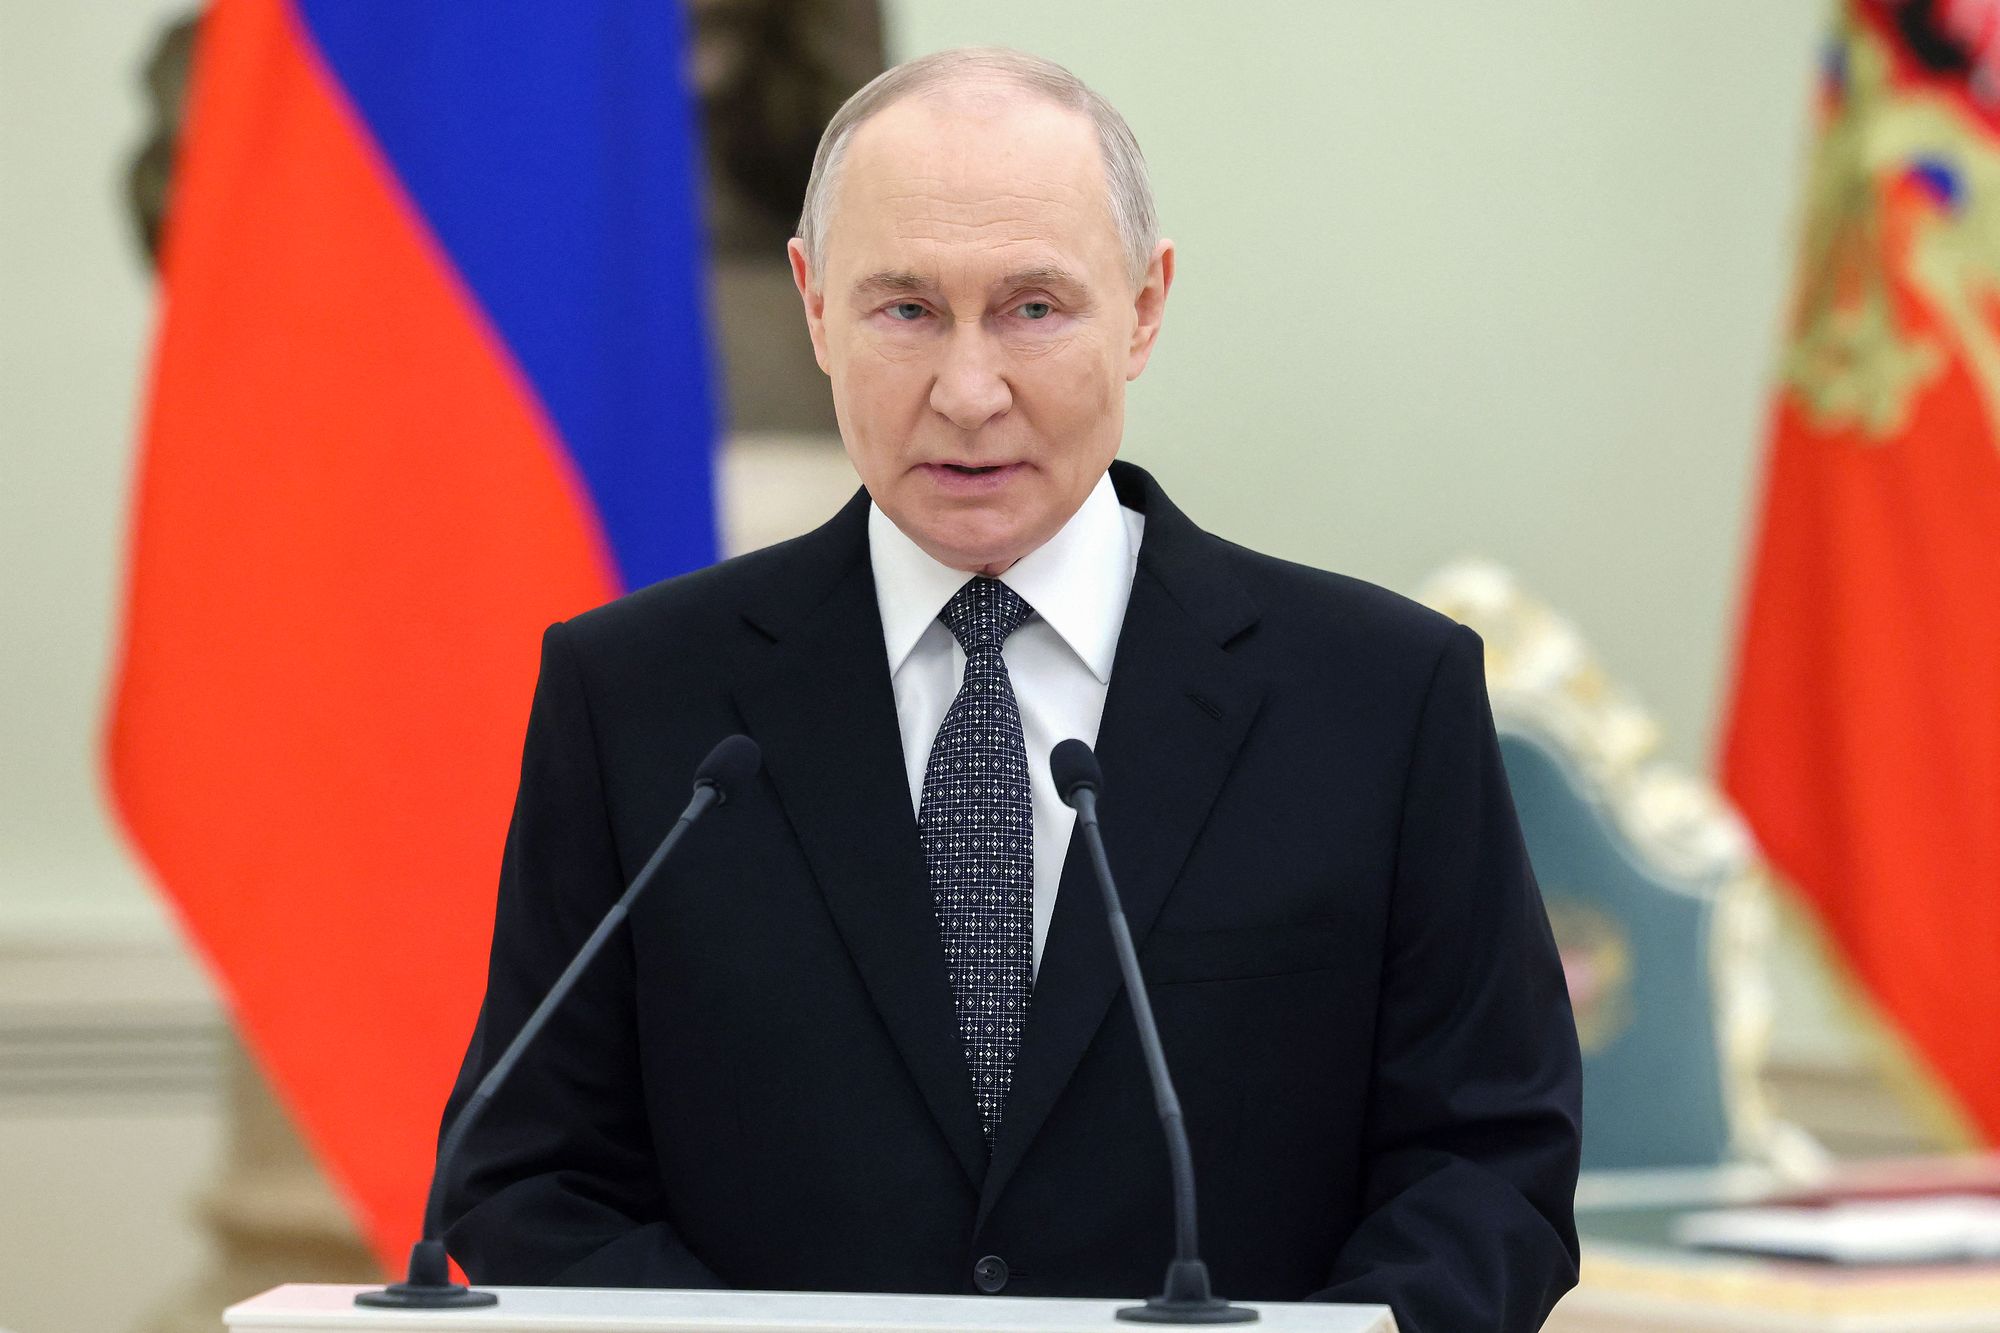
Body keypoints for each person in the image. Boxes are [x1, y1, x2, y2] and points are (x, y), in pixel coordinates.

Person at [440, 47, 1582, 1333]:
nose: (968, 391)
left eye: (1033, 307)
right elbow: (529, 1169)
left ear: (1143, 307)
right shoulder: (635, 696)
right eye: (905, 309)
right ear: (814, 307)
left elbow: (1487, 1168)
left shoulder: (1380, 697)